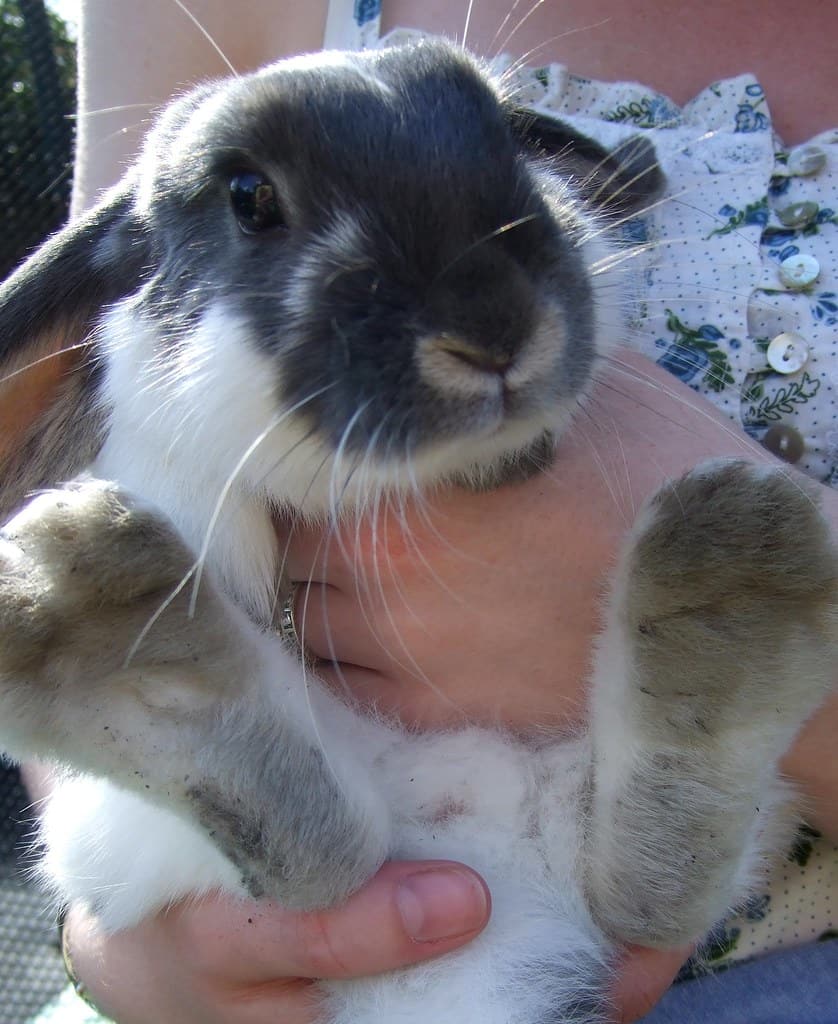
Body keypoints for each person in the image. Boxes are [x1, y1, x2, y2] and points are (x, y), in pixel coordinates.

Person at [38, 1, 838, 1021]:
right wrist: (129, 942)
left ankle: (661, 813)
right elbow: (62, 495)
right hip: (268, 918)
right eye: (258, 201)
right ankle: (268, 793)